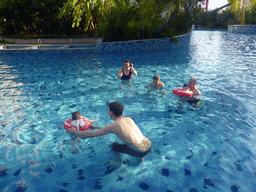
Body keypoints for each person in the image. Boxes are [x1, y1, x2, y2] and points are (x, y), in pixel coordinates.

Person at [67, 102, 152, 158]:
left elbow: (90, 134)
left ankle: (118, 163)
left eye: (108, 111)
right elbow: (108, 129)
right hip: (148, 144)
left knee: (114, 146)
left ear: (111, 113)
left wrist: (73, 131)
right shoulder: (128, 119)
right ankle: (140, 158)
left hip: (140, 151)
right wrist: (97, 127)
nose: (108, 113)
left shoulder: (113, 126)